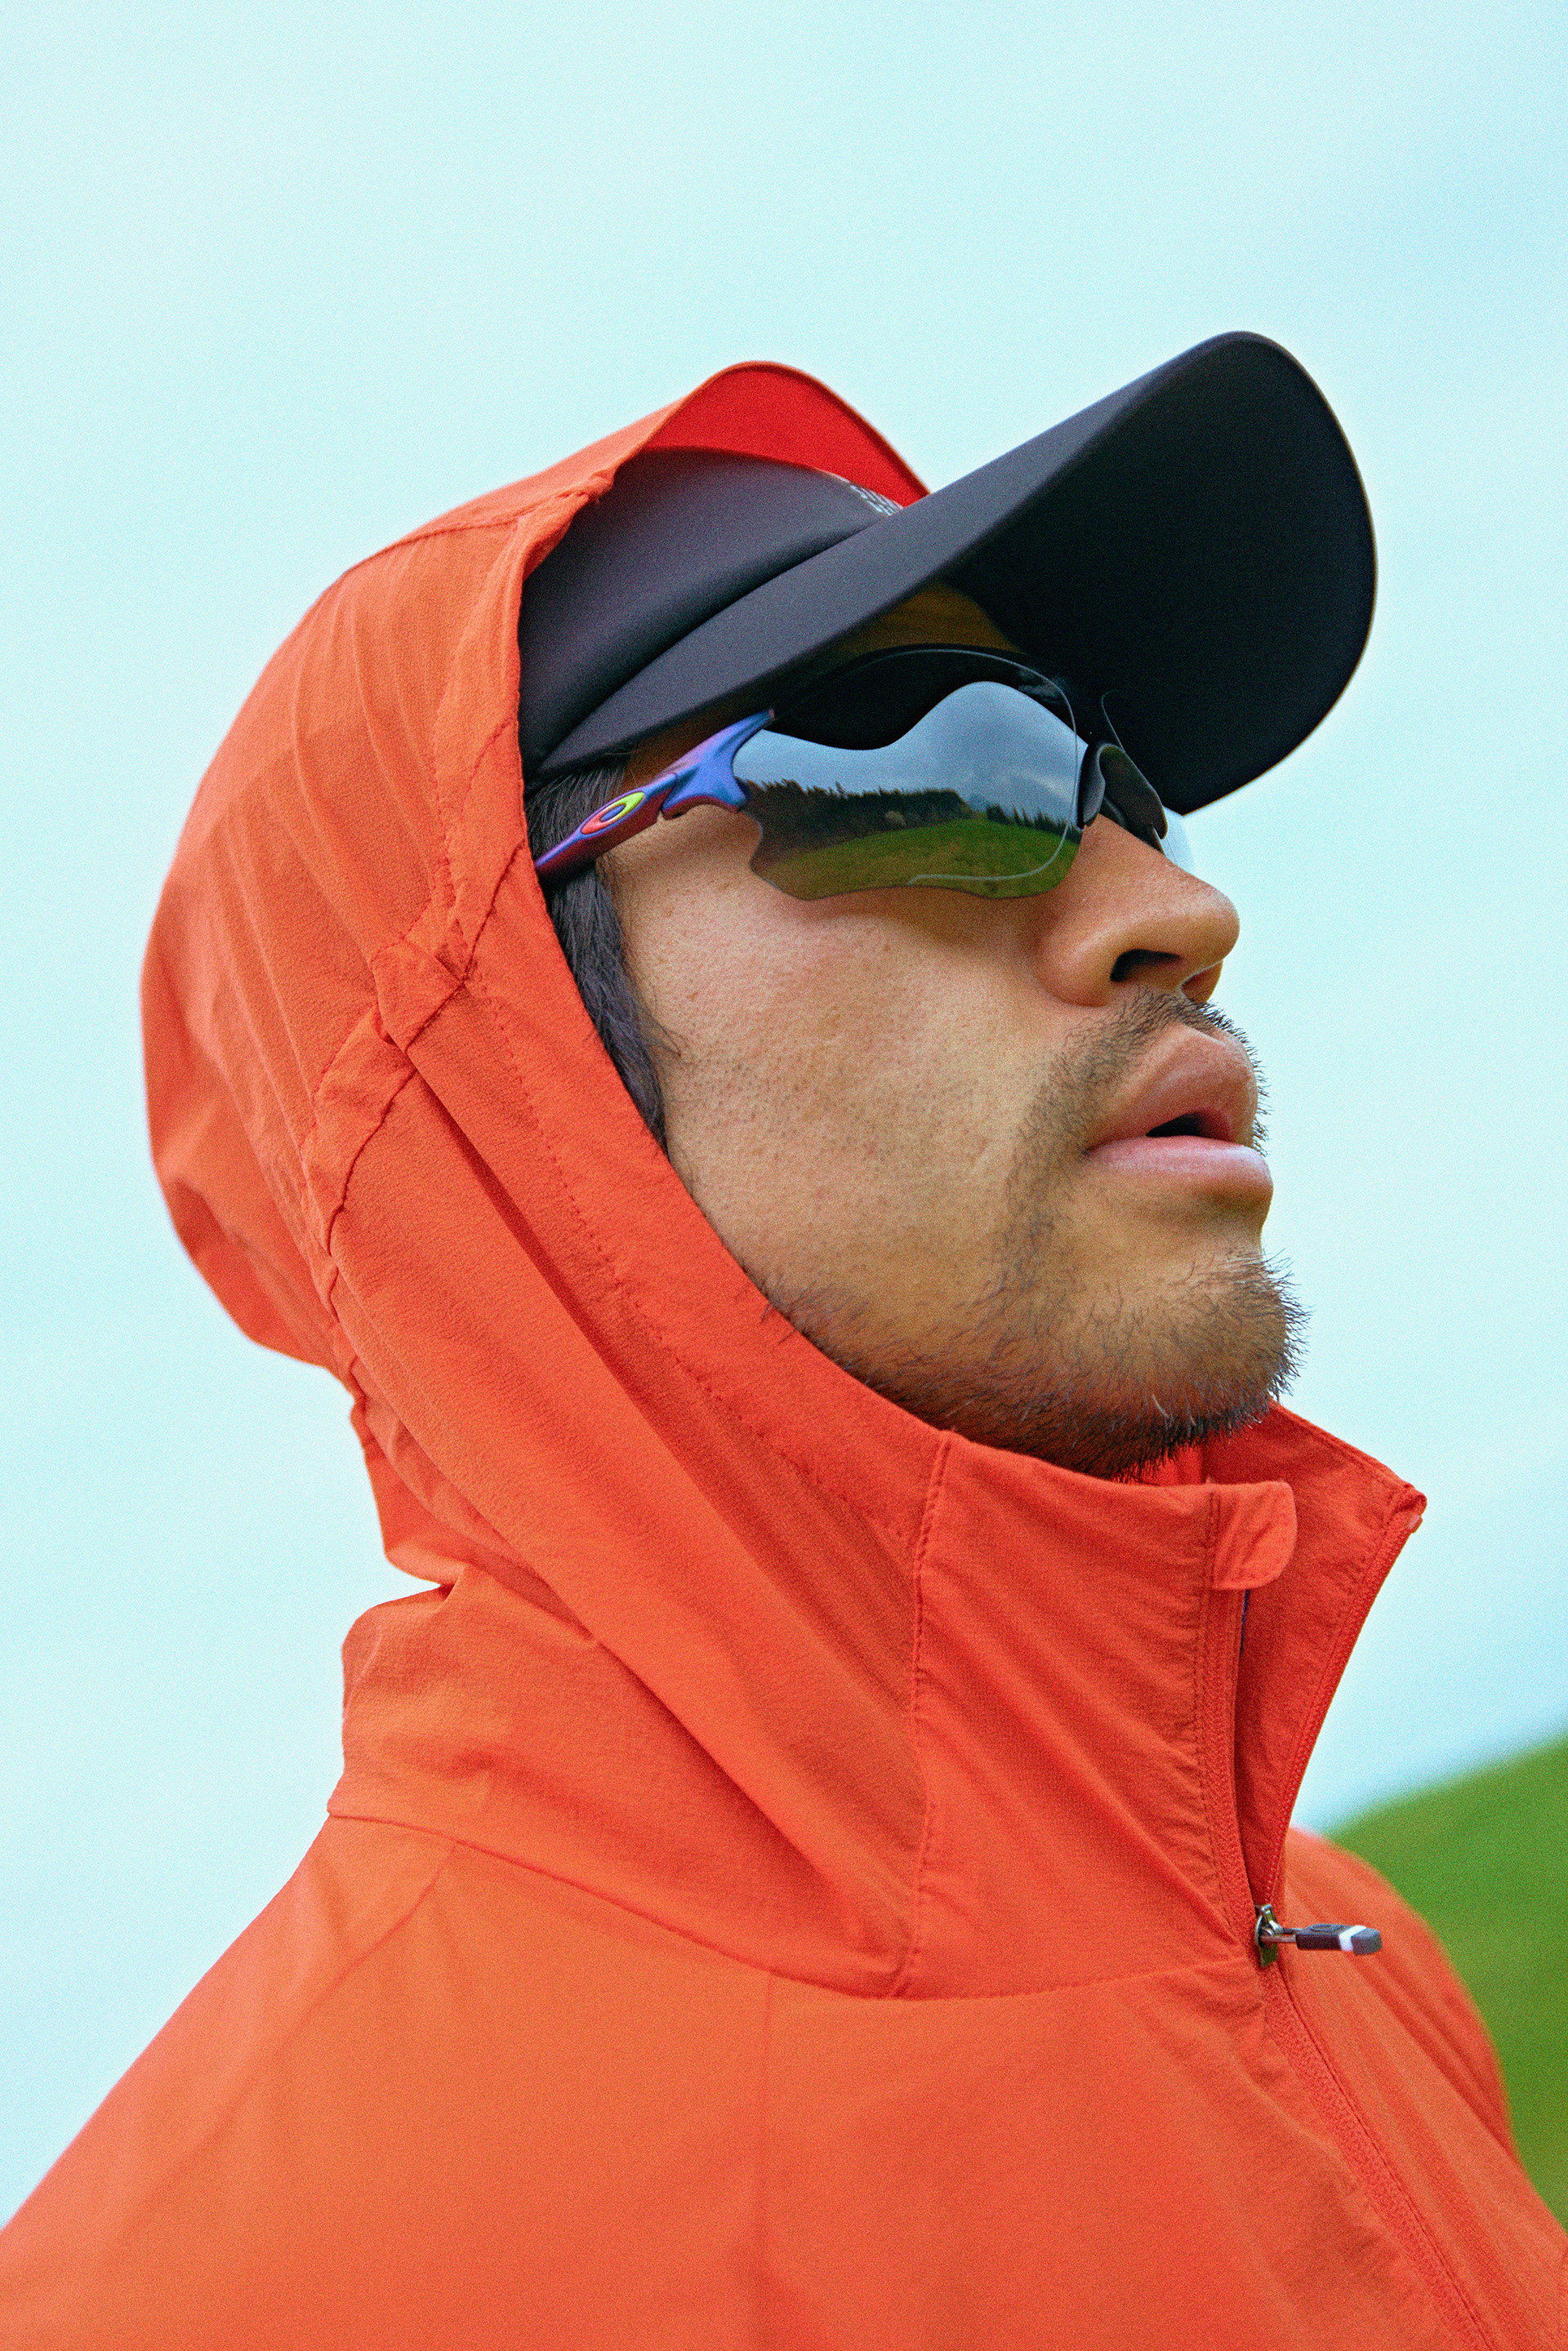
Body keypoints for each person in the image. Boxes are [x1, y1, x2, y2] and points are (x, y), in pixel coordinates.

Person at [1, 337, 1561, 2348]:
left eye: (1121, 784)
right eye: (928, 768)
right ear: (505, 1063)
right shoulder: (234, 2297)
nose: (1181, 905)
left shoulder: (1349, 1957)